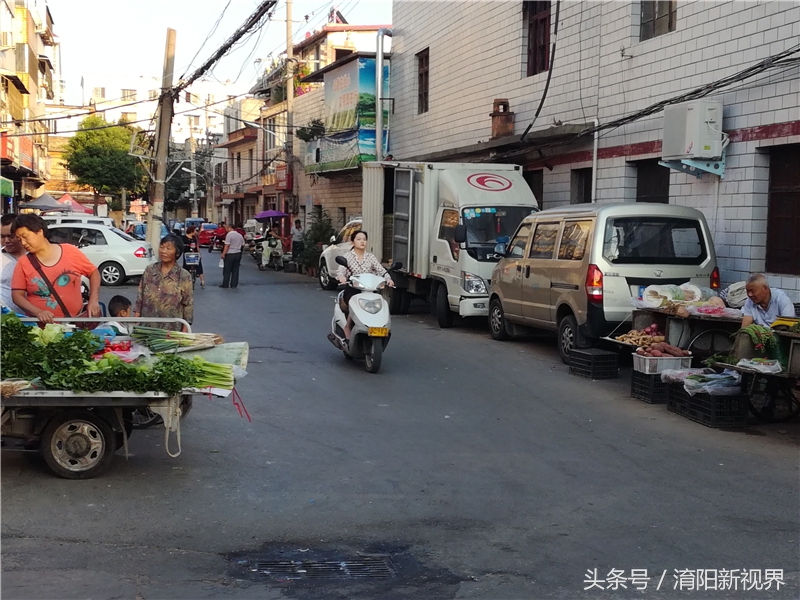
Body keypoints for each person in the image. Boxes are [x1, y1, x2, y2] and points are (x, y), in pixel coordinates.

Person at [10, 214, 101, 323]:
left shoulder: (70, 252)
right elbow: (17, 296)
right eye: (19, 239)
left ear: (39, 231)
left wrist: (93, 300)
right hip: (39, 330)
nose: (23, 243)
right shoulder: (23, 262)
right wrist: (38, 312)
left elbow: (93, 272)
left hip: (73, 326)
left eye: (25, 237)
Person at [336, 230, 394, 339]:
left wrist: (388, 278)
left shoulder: (370, 257)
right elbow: (341, 271)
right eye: (359, 239)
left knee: (380, 300)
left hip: (369, 290)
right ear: (353, 242)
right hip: (353, 289)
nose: (362, 242)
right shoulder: (348, 256)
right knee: (354, 301)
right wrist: (341, 277)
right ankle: (347, 326)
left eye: (364, 239)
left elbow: (381, 270)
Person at [134, 234, 193, 331]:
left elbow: (188, 306)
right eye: (161, 247)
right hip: (146, 328)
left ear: (177, 253)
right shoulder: (150, 270)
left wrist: (184, 333)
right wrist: (135, 323)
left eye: (168, 248)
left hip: (171, 332)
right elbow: (140, 298)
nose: (163, 251)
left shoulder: (184, 276)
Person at [1, 214, 26, 314]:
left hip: (33, 319)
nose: (6, 241)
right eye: (2, 236)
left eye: (11, 236)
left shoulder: (35, 257)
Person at [220, 222, 245, 289]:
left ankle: (225, 284)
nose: (226, 229)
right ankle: (234, 284)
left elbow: (227, 245)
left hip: (230, 253)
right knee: (235, 269)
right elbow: (243, 244)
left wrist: (223, 254)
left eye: (227, 228)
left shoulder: (229, 235)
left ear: (230, 228)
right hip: (238, 253)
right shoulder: (239, 235)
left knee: (227, 269)